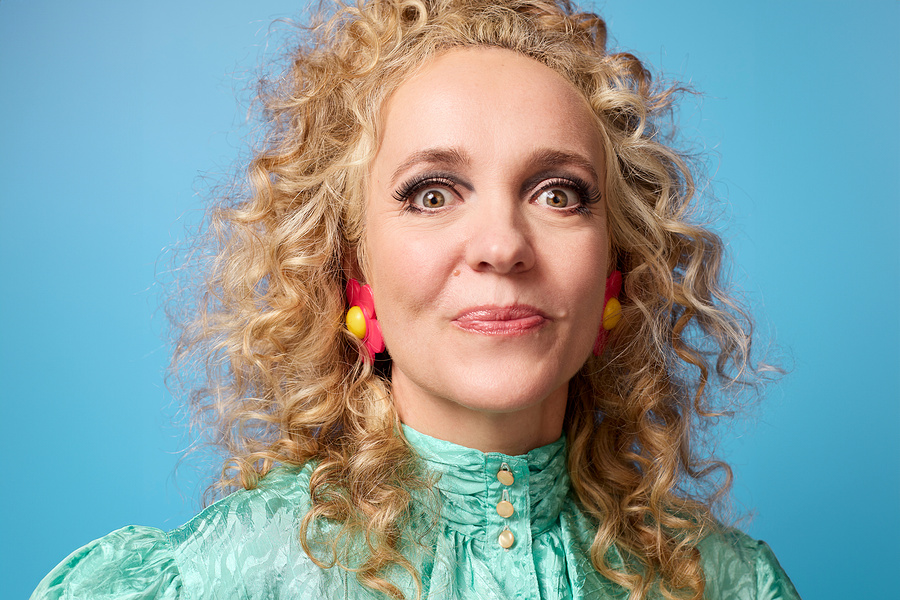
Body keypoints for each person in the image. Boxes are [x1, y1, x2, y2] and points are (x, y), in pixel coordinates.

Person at [31, 0, 801, 598]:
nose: (502, 244)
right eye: (432, 193)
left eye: (558, 192)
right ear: (351, 268)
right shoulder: (218, 580)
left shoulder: (727, 584)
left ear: (615, 269)